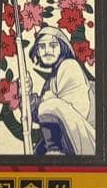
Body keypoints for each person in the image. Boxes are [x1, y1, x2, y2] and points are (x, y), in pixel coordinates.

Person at [28, 26, 96, 155]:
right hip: (70, 140)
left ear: (62, 47)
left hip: (85, 139)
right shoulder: (51, 80)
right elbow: (39, 116)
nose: (47, 51)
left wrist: (46, 102)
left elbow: (77, 110)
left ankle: (55, 150)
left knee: (52, 105)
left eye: (53, 45)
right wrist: (27, 94)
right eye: (41, 46)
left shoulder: (69, 66)